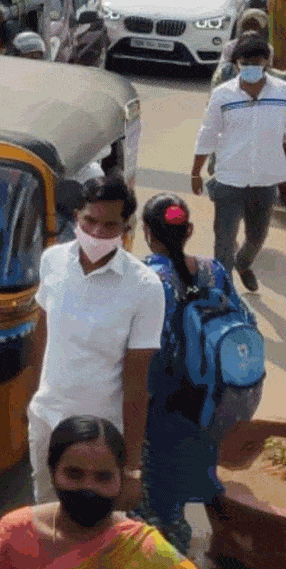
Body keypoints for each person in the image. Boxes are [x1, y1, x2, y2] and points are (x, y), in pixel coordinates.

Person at [27, 174, 164, 506]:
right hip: (47, 420)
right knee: (46, 513)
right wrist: (32, 401)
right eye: (90, 221)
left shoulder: (145, 288)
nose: (97, 233)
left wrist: (132, 470)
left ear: (125, 228)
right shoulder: (53, 261)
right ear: (77, 217)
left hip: (101, 435)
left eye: (109, 225)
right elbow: (42, 334)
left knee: (94, 526)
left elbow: (136, 385)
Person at [133, 194, 255, 554]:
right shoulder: (214, 270)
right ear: (189, 230)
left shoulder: (146, 277)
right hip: (212, 399)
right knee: (190, 476)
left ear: (146, 232)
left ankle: (173, 550)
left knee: (157, 500)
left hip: (163, 403)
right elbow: (245, 321)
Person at [0, 415, 195, 568]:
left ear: (121, 479)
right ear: (52, 472)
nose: (89, 487)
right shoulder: (16, 533)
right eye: (74, 474)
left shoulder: (145, 549)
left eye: (103, 477)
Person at [191, 34, 286, 291]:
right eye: (245, 62)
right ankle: (224, 293)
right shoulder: (222, 95)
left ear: (266, 61)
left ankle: (243, 263)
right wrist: (195, 172)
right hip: (229, 178)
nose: (250, 67)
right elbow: (207, 132)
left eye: (256, 61)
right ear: (236, 63)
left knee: (256, 237)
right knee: (224, 240)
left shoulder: (283, 92)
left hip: (265, 179)